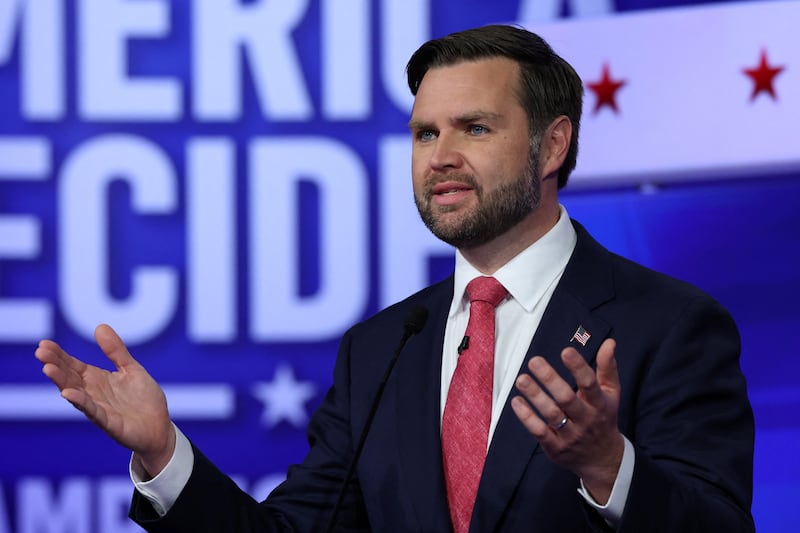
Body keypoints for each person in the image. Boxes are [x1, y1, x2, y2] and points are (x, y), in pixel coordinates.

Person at [35, 24, 755, 532]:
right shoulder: (381, 349)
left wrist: (610, 466)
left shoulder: (669, 323)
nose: (439, 156)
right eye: (423, 133)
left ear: (552, 145)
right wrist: (164, 454)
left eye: (474, 128)